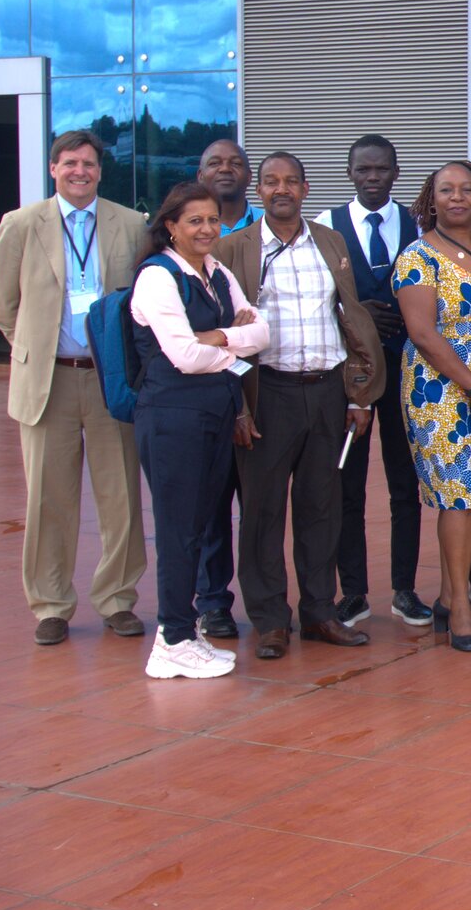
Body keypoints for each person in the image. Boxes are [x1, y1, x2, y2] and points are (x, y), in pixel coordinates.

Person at [212, 152, 383, 659]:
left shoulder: (330, 242)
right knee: (262, 512)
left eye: (291, 181)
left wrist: (358, 394)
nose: (281, 189)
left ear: (306, 189)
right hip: (267, 393)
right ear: (259, 190)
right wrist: (238, 407)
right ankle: (269, 620)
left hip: (327, 392)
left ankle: (319, 613)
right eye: (271, 181)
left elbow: (347, 317)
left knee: (321, 508)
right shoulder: (232, 248)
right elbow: (222, 334)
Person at [0, 130, 149, 646]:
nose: (79, 171)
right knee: (48, 499)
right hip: (49, 380)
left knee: (120, 495)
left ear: (100, 171)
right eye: (70, 163)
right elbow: (4, 306)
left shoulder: (130, 224)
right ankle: (51, 605)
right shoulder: (20, 224)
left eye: (88, 163)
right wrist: (35, 350)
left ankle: (117, 599)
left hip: (109, 380)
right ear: (53, 168)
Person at [130, 182, 272, 678]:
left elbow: (262, 333)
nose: (207, 229)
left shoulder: (215, 271)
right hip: (172, 419)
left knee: (199, 524)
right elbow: (185, 357)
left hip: (212, 414)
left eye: (212, 219)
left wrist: (216, 337)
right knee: (178, 529)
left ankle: (184, 633)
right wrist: (232, 344)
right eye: (194, 221)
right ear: (171, 226)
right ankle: (171, 639)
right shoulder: (158, 276)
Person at [393, 161, 471, 652]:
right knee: (459, 494)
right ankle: (461, 607)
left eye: (467, 189)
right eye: (446, 190)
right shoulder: (417, 256)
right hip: (437, 389)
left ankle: (449, 597)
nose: (457, 197)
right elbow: (423, 333)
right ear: (432, 199)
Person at [321, 134, 429, 629]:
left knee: (405, 484)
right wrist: (352, 311)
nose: (372, 178)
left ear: (396, 172)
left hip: (408, 368)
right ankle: (354, 593)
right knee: (349, 484)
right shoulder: (326, 226)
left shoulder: (418, 225)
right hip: (353, 375)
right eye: (363, 169)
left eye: (381, 169)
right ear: (349, 173)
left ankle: (405, 590)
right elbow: (315, 296)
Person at [189, 137, 258, 640]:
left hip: (264, 382)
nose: (225, 169)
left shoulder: (270, 229)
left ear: (248, 175)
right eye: (215, 162)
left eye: (235, 162)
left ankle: (264, 602)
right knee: (211, 501)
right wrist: (226, 334)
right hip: (205, 384)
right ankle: (212, 602)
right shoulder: (185, 235)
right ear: (201, 175)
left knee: (259, 503)